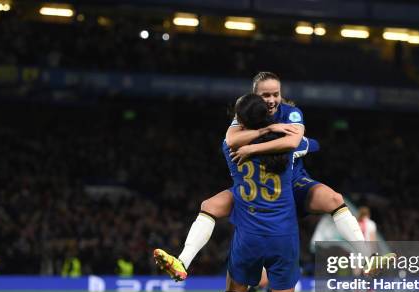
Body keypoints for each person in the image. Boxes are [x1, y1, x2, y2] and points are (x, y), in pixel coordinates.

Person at [153, 71, 365, 280]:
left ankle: (367, 257)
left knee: (335, 199)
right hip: (253, 188)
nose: (272, 100)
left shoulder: (291, 113)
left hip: (292, 184)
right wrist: (266, 131)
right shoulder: (245, 116)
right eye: (266, 95)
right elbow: (230, 141)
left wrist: (251, 149)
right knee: (209, 206)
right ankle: (182, 262)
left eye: (276, 94)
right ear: (255, 96)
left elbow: (296, 143)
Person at [220, 94, 305, 292]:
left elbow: (232, 138)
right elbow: (296, 141)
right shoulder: (285, 148)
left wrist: (252, 130)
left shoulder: (231, 148)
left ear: (240, 120)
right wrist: (273, 128)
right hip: (283, 232)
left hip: (249, 231)